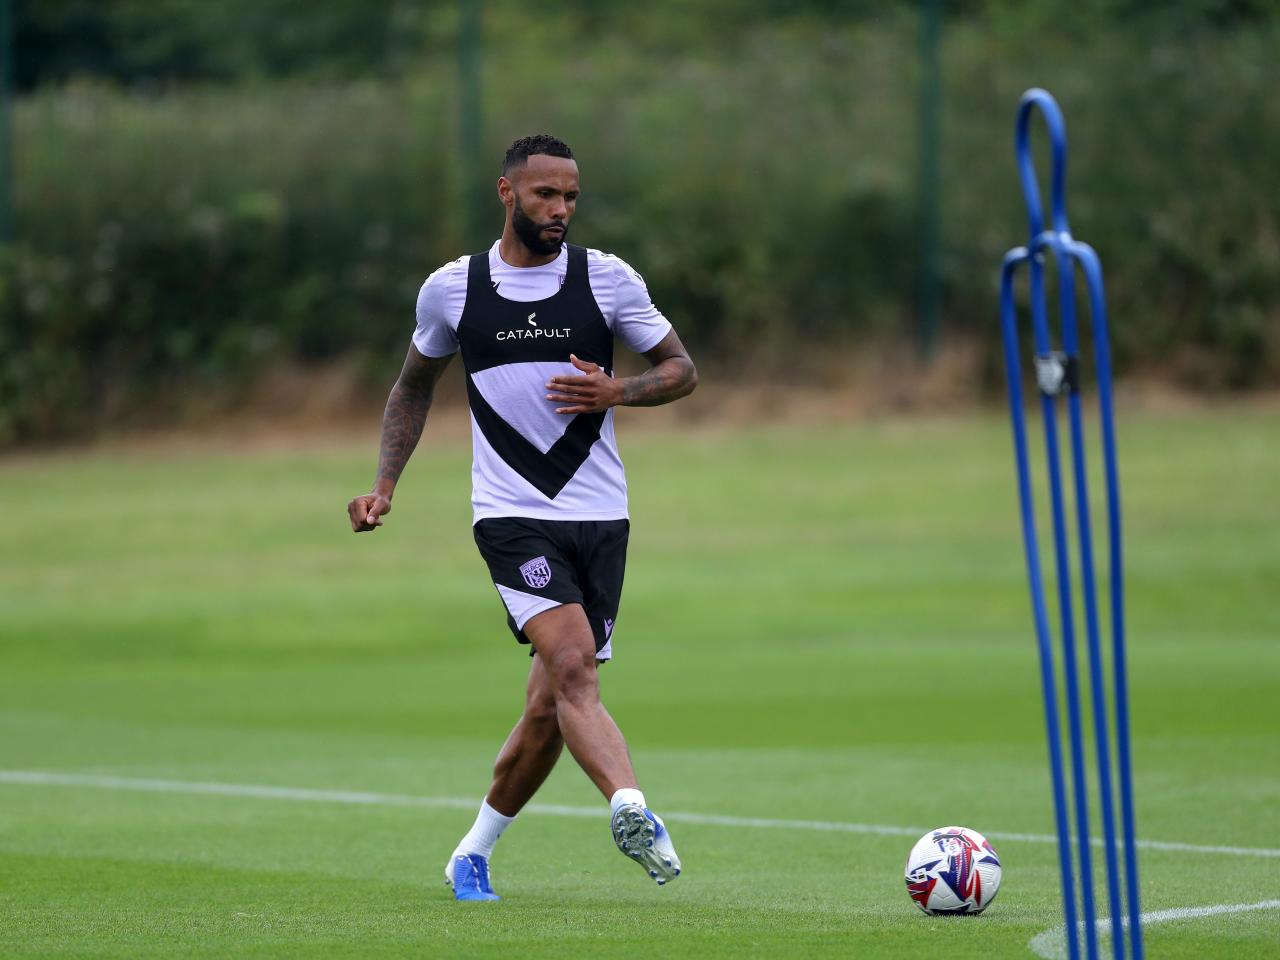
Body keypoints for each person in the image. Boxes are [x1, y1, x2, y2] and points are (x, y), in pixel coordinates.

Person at [346, 134, 697, 901]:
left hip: (601, 517)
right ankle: (630, 806)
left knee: (549, 708)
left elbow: (681, 371)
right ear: (507, 193)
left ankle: (471, 854)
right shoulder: (453, 289)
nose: (560, 209)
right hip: (509, 514)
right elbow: (412, 387)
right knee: (572, 665)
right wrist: (385, 485)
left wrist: (618, 392)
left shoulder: (607, 279)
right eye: (546, 194)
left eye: (571, 196)